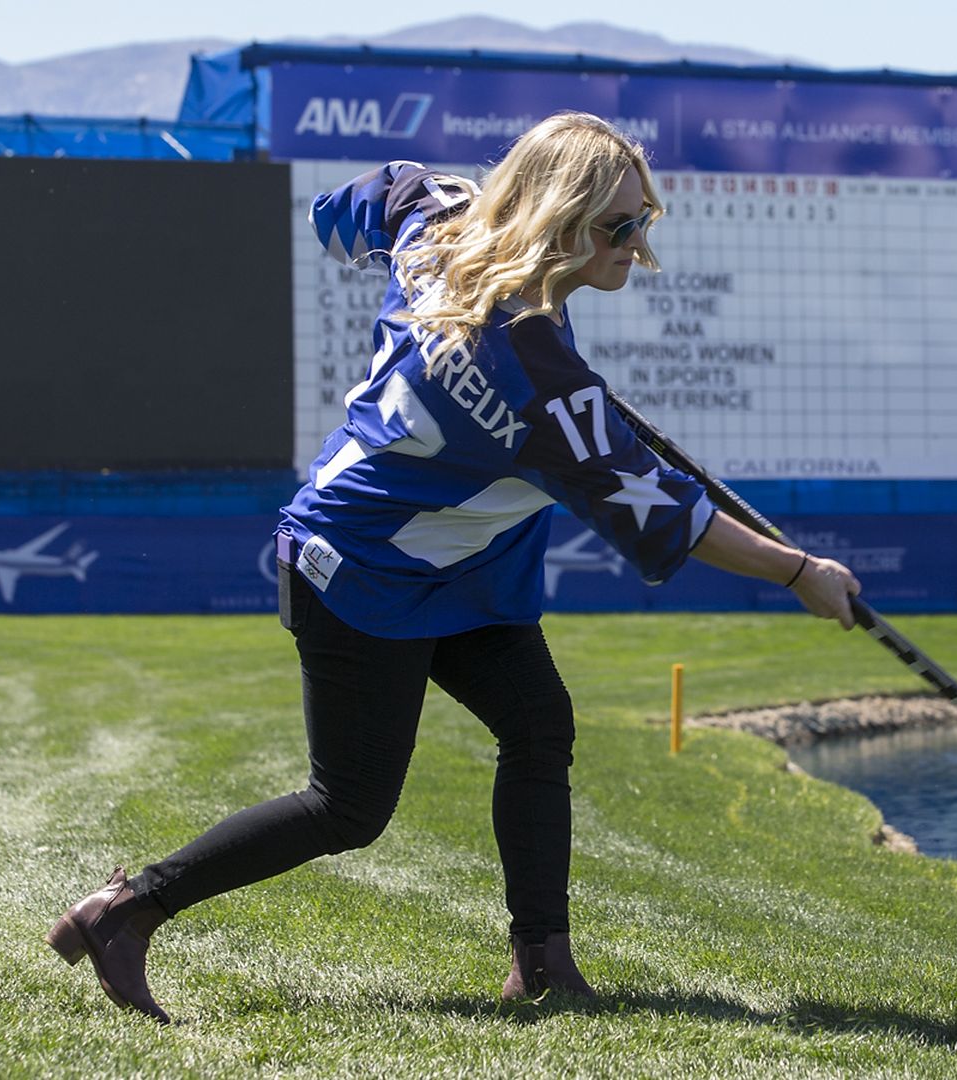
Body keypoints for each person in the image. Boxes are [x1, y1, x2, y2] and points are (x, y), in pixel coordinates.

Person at [46, 111, 862, 1022]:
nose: (637, 243)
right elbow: (668, 515)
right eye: (617, 226)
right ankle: (128, 909)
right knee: (348, 808)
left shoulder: (442, 224)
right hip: (362, 572)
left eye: (644, 220)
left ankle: (544, 964)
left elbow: (374, 194)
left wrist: (352, 233)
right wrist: (798, 573)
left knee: (539, 725)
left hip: (461, 574)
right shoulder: (542, 384)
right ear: (558, 219)